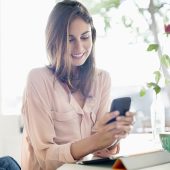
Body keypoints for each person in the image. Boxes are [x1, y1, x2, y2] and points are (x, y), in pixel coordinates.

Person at [21, 0, 135, 170]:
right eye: (70, 39)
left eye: (85, 37)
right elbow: (45, 159)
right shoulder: (38, 79)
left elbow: (98, 149)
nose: (79, 47)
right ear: (55, 41)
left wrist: (112, 137)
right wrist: (95, 142)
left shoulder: (102, 79)